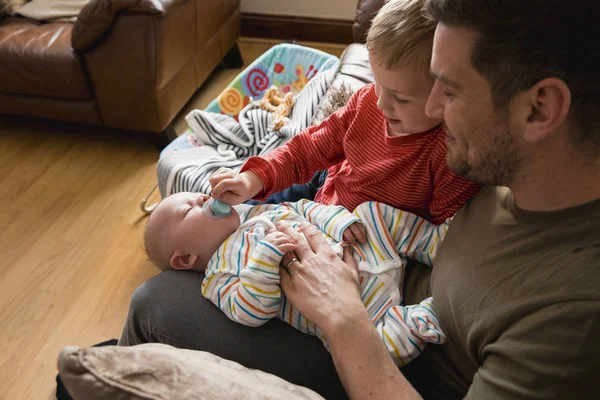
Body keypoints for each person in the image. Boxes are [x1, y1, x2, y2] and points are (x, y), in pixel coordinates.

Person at [119, 0, 600, 399]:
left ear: (539, 108)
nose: (433, 109)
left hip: (389, 350)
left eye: (449, 91)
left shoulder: (571, 316)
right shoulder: (509, 166)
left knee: (152, 304)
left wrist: (344, 316)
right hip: (354, 260)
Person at [209, 0, 480, 226]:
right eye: (377, 84)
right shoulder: (365, 102)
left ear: (447, 94)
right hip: (323, 185)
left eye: (401, 98)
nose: (381, 104)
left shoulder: (448, 155)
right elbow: (306, 150)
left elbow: (437, 233)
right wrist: (250, 179)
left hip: (352, 232)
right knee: (233, 212)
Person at [143, 191, 447, 368]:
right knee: (378, 351)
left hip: (364, 249)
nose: (205, 199)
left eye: (202, 195)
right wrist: (265, 258)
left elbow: (304, 209)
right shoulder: (217, 279)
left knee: (372, 213)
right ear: (184, 259)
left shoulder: (256, 213)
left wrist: (339, 222)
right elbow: (251, 310)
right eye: (190, 208)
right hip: (365, 313)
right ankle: (424, 319)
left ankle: (436, 242)